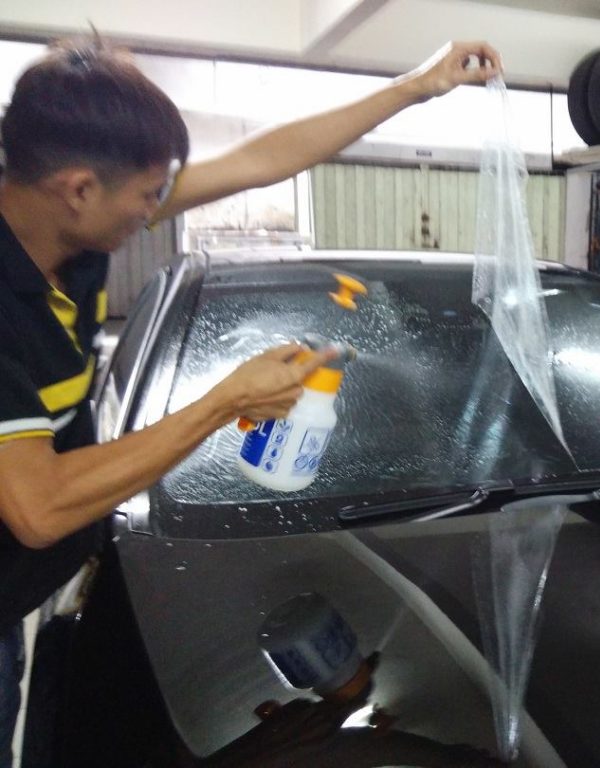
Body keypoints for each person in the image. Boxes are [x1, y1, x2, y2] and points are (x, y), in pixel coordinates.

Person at [0, 37, 501, 767]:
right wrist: (224, 400)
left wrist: (415, 86)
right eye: (148, 196)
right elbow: (39, 508)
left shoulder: (70, 227)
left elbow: (262, 159)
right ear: (78, 190)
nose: (155, 210)